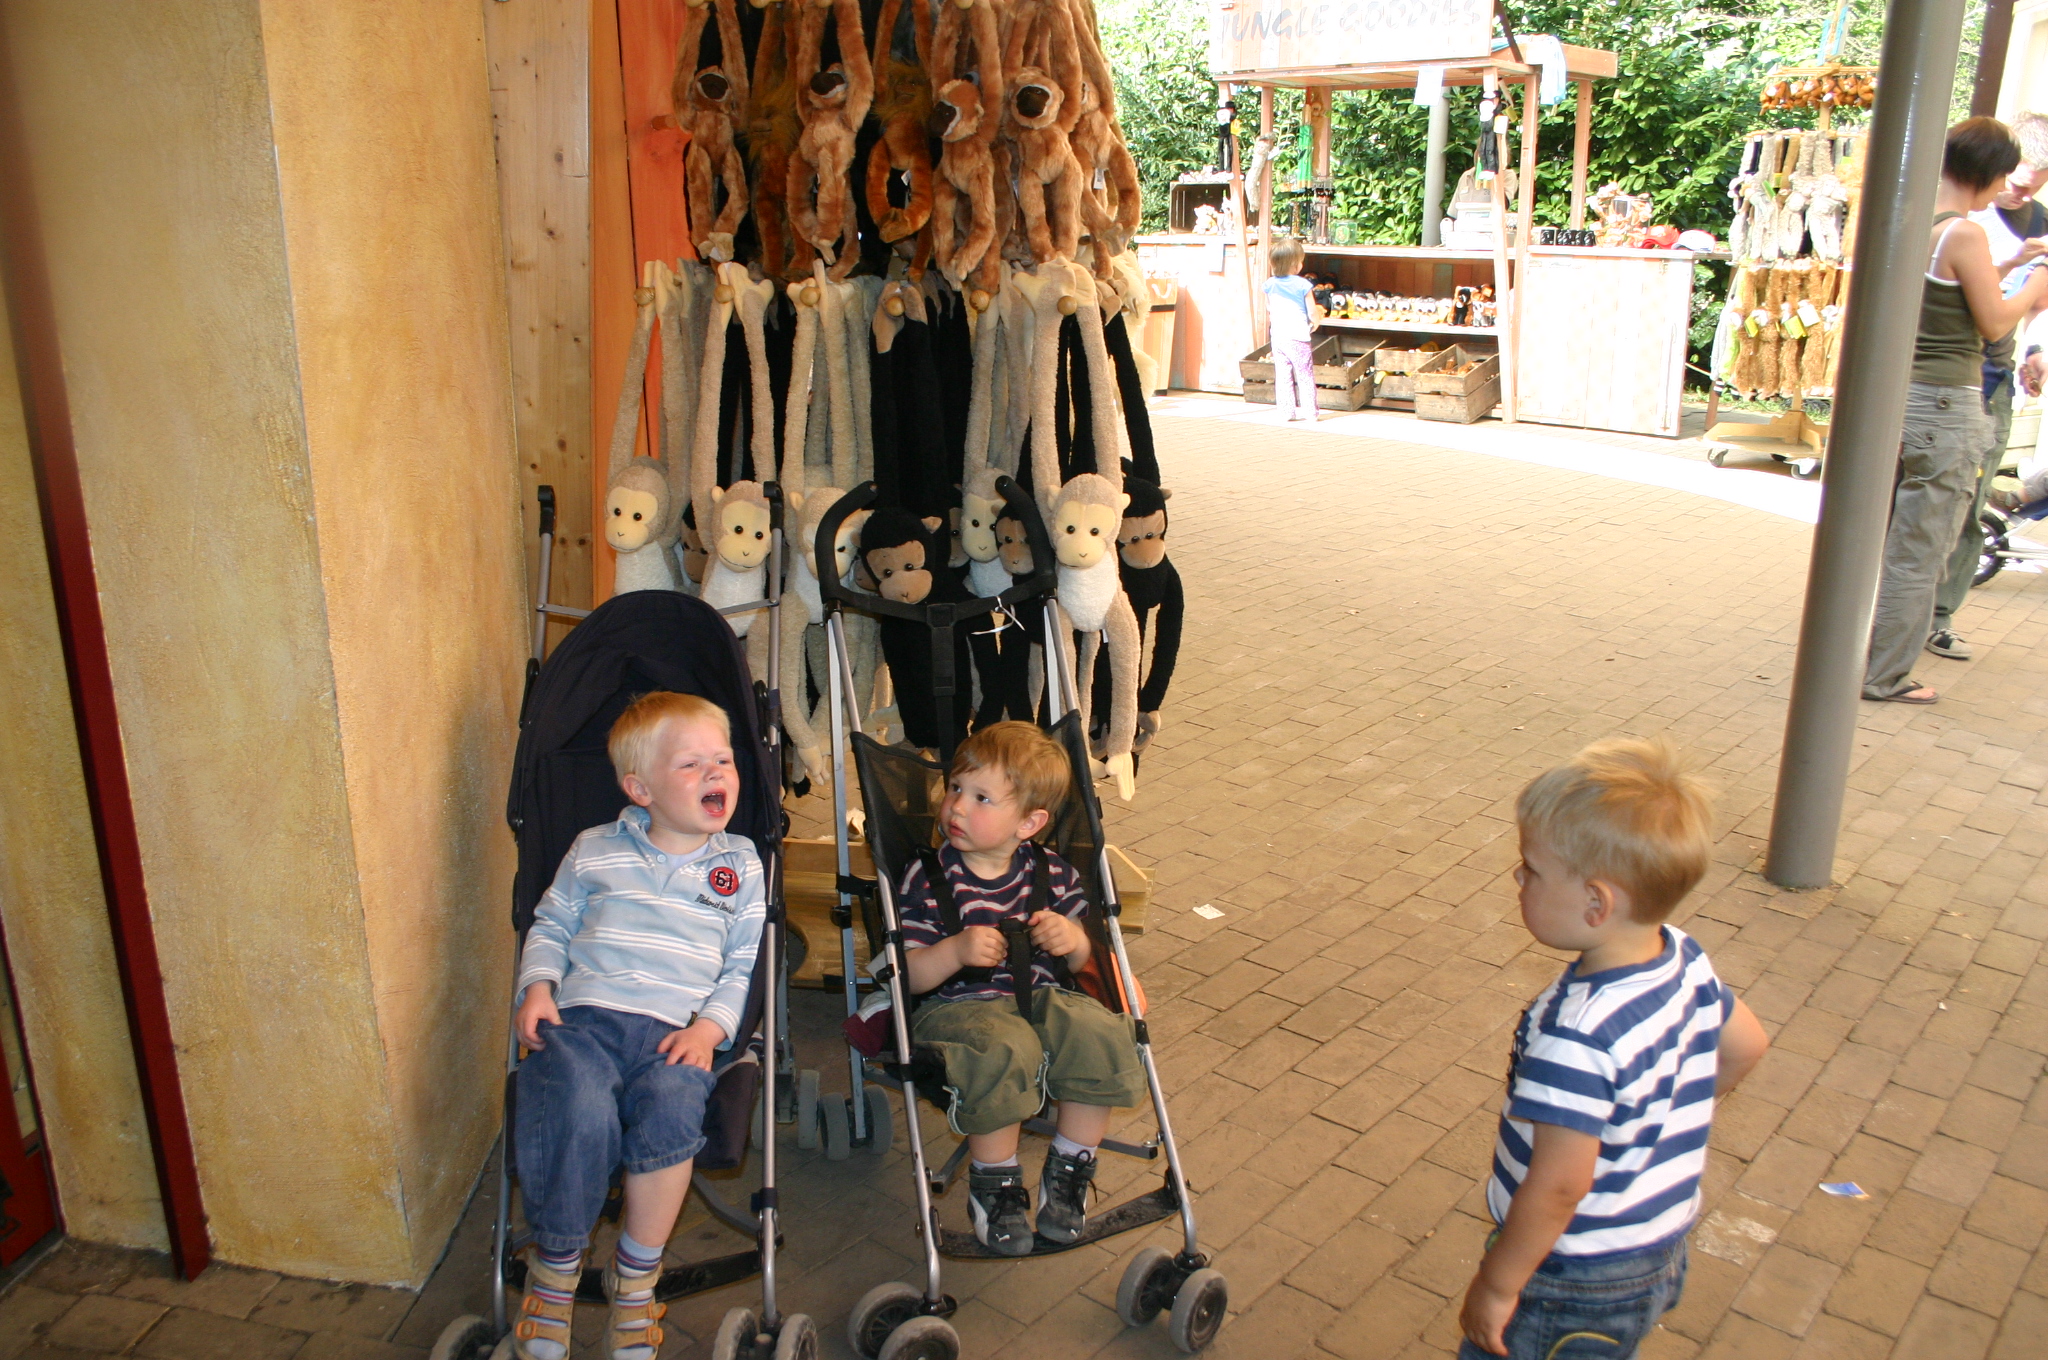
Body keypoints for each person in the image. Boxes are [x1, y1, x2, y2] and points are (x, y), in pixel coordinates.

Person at [1459, 738, 1770, 1360]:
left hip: (1570, 1276)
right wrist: (1653, 1122)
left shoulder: (1576, 1034)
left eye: (1532, 869)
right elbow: (1747, 1047)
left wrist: (1497, 1285)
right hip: (1655, 1245)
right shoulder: (1682, 955)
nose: (1518, 877)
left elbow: (1558, 1187)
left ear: (1597, 903)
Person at [510, 692, 764, 1360]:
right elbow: (550, 924)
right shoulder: (594, 849)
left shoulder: (740, 864)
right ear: (640, 789)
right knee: (577, 1102)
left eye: (724, 759)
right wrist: (538, 987)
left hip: (677, 1033)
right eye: (691, 764)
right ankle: (556, 1271)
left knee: (675, 1109)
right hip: (584, 1023)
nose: (716, 773)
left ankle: (635, 1281)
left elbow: (742, 964)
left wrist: (710, 1031)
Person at [898, 721, 1145, 1255]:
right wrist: (954, 951)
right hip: (959, 1007)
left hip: (1042, 999)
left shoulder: (1052, 875)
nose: (957, 806)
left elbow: (1091, 969)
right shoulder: (929, 878)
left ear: (1029, 824)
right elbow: (906, 975)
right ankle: (996, 1185)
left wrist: (1073, 941)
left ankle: (1069, 1170)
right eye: (956, 788)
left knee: (1100, 1033)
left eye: (982, 798)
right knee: (1005, 1048)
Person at [1865, 118, 2048, 704]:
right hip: (1946, 405)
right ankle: (1885, 675)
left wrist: (2011, 265)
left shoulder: (1920, 222)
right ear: (1988, 171)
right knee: (1919, 552)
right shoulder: (1965, 232)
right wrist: (2038, 279)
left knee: (1889, 540)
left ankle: (1861, 656)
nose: (2007, 189)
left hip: (1903, 398)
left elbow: (1955, 294)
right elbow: (1994, 321)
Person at [1931, 112, 2048, 659]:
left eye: (2034, 184)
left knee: (1966, 509)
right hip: (1946, 385)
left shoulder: (2037, 221)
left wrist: (2035, 349)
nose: (2018, 191)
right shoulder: (1960, 221)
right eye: (2014, 179)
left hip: (1992, 382)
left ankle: (1936, 616)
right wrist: (2024, 275)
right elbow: (1994, 314)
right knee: (1925, 511)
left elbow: (2033, 310)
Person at [1263, 237, 1319, 422]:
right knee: (1304, 374)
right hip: (1298, 336)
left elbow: (1269, 306)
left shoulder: (1270, 284)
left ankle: (1287, 411)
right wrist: (1315, 321)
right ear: (1296, 265)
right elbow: (1312, 310)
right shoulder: (1303, 285)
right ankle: (1310, 412)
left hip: (1278, 336)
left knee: (1283, 375)